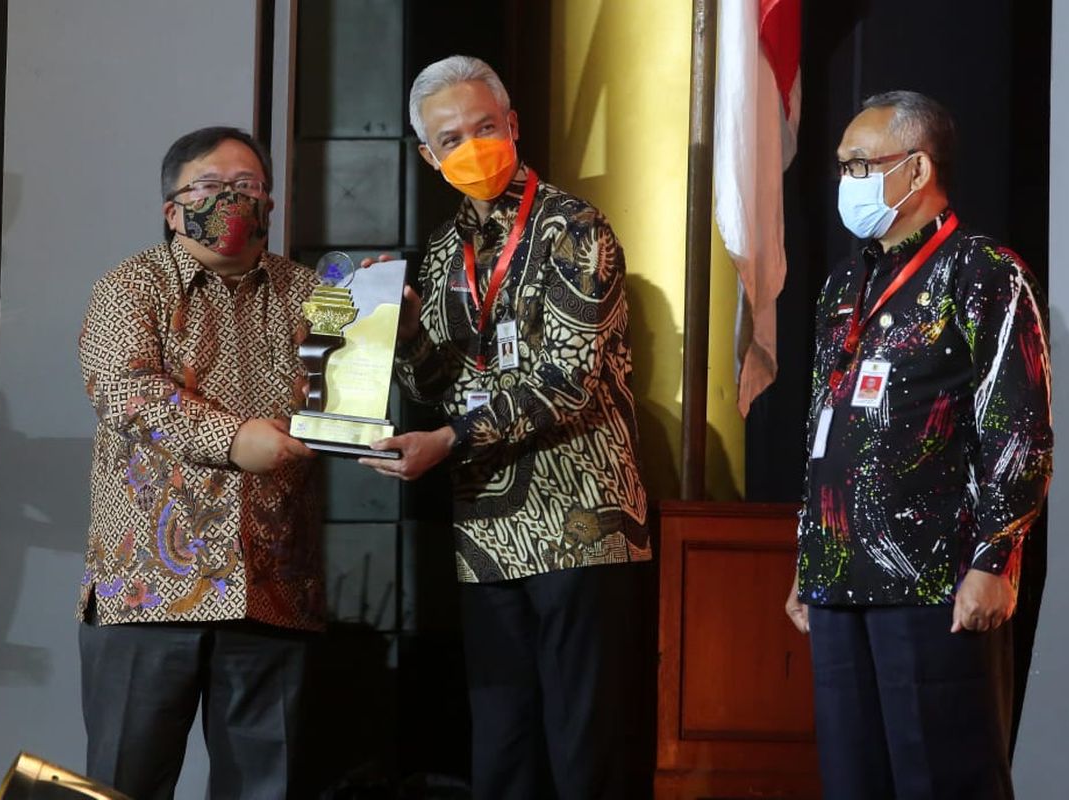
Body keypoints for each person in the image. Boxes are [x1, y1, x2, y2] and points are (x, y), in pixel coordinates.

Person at [360, 55, 651, 799]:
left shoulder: (575, 229)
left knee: (588, 751)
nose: (472, 147)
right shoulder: (437, 253)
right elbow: (437, 387)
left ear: (513, 125)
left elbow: (567, 383)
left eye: (485, 127)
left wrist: (450, 441)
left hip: (581, 521)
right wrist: (390, 329)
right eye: (451, 138)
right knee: (504, 750)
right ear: (429, 156)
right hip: (487, 534)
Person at [785, 91, 1053, 800]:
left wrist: (994, 559)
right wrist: (809, 555)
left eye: (861, 164)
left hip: (936, 583)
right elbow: (823, 427)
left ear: (917, 167)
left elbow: (1019, 430)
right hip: (839, 579)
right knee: (853, 779)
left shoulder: (985, 273)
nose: (848, 181)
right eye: (842, 167)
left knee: (944, 778)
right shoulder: (845, 285)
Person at [77, 126, 323, 799]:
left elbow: (361, 382)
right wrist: (234, 438)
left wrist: (398, 324)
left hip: (273, 585)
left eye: (247, 187)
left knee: (265, 788)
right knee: (124, 783)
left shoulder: (312, 291)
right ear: (173, 209)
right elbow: (124, 391)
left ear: (270, 202)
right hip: (147, 589)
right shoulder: (132, 286)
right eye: (211, 187)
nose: (232, 200)